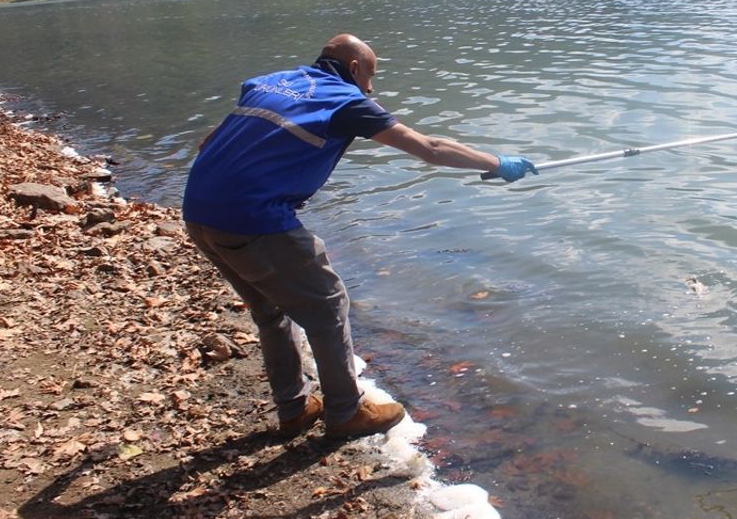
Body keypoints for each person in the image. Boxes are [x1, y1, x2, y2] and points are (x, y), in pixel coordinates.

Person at [182, 33, 537, 439]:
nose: (372, 87)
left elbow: (207, 143)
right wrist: (497, 161)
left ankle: (294, 409)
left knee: (271, 313)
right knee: (330, 304)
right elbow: (431, 148)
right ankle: (346, 413)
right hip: (253, 220)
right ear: (354, 69)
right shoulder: (346, 102)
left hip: (197, 211)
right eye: (371, 75)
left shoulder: (268, 82)